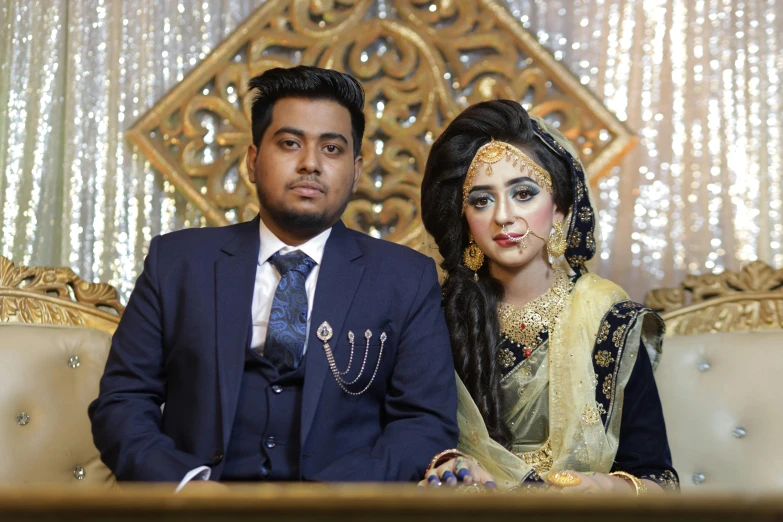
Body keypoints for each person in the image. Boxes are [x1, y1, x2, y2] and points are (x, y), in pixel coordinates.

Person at [89, 66, 458, 487]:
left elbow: (424, 424)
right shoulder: (176, 262)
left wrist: (333, 503)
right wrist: (185, 487)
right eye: (289, 143)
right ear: (252, 160)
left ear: (356, 171)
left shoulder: (405, 279)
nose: (310, 164)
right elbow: (122, 403)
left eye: (332, 149)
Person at [418, 100, 678, 494]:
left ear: (559, 209)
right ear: (465, 219)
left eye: (523, 193)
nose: (503, 216)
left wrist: (594, 489)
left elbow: (660, 481)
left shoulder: (610, 322)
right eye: (481, 200)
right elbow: (413, 447)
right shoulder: (438, 318)